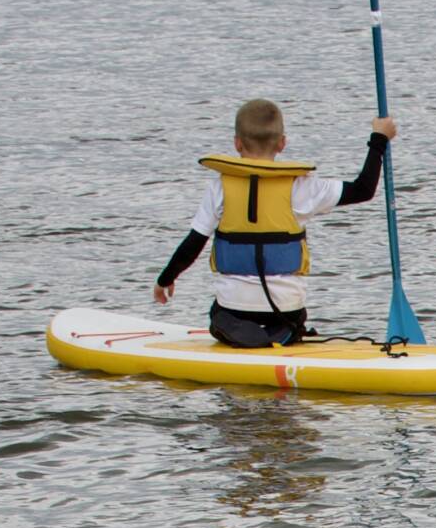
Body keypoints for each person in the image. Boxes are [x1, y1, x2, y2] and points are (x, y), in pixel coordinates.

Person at [153, 99, 394, 349]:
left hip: (233, 309)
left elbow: (193, 244)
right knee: (293, 317)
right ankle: (283, 333)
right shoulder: (302, 187)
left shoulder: (219, 188)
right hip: (286, 310)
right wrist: (379, 137)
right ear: (282, 143)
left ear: (237, 143)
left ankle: (244, 333)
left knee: (219, 315)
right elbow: (364, 189)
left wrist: (165, 279)